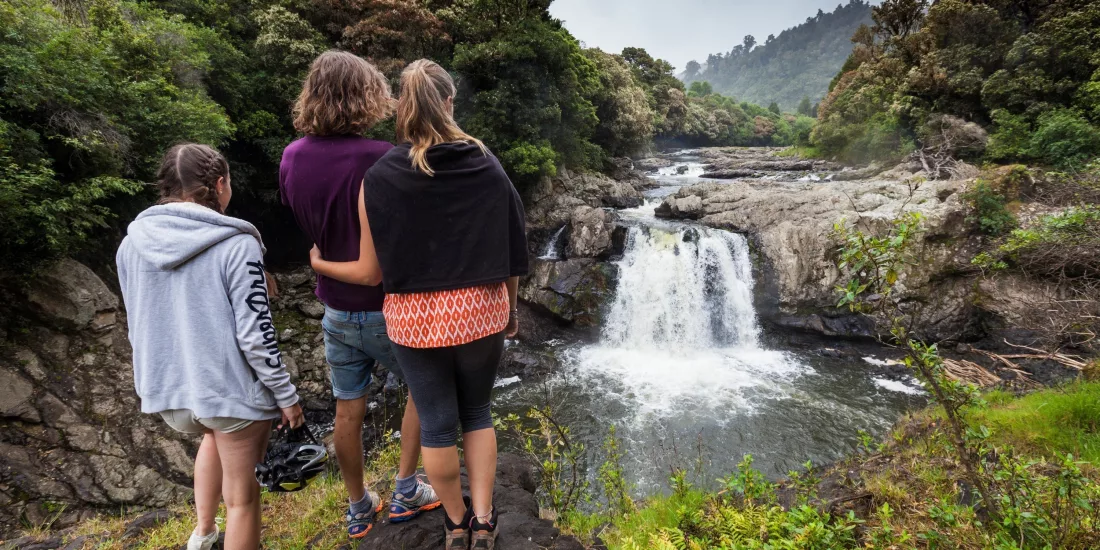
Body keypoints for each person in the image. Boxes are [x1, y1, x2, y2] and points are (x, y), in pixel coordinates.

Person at [311, 59, 529, 549]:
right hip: (480, 311)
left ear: (399, 108)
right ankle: (486, 521)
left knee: (435, 423)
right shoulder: (484, 161)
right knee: (477, 413)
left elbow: (372, 269)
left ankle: (454, 525)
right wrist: (510, 308)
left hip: (414, 319)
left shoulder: (380, 175)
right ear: (449, 101)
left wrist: (319, 264)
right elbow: (512, 245)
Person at [279, 50, 440, 539]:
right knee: (425, 391)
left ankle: (357, 505)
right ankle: (408, 486)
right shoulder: (380, 157)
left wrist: (321, 260)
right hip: (387, 306)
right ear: (365, 95)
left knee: (348, 408)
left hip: (334, 309)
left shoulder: (291, 157)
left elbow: (309, 221)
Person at [117, 143, 303, 550]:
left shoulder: (131, 245)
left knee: (212, 436)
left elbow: (138, 324)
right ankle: (218, 528)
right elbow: (256, 335)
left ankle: (203, 532)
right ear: (220, 185)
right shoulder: (238, 244)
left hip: (171, 395)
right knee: (242, 500)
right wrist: (287, 397)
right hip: (228, 395)